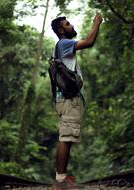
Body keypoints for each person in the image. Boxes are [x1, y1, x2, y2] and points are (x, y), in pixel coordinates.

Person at [51, 14, 103, 189]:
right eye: (67, 24)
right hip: (69, 99)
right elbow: (89, 41)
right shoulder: (64, 43)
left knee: (68, 136)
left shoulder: (61, 47)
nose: (71, 25)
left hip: (68, 99)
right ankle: (60, 180)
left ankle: (62, 177)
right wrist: (97, 23)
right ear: (61, 30)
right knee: (66, 137)